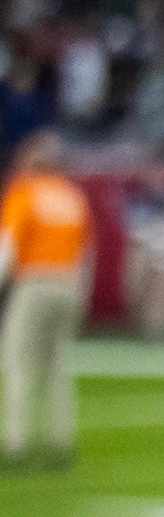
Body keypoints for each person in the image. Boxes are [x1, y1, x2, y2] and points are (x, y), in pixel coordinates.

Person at [2, 133, 89, 467]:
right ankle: (60, 441)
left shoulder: (25, 192)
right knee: (58, 367)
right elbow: (85, 253)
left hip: (35, 282)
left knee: (18, 361)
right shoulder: (71, 196)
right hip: (68, 282)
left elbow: (8, 247)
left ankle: (16, 441)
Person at [120, 172, 164, 340]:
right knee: (135, 291)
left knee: (161, 298)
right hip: (141, 247)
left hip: (163, 251)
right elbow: (132, 225)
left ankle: (157, 335)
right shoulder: (137, 197)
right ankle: (138, 330)